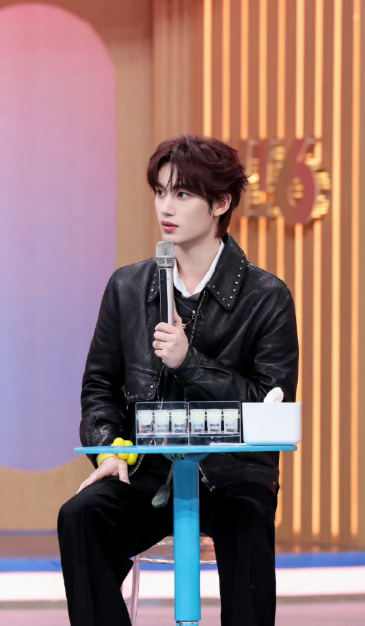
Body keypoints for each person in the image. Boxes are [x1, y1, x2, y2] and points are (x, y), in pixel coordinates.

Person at [58, 134, 299, 626]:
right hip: (148, 469)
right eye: (160, 191)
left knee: (249, 531)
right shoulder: (127, 287)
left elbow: (269, 403)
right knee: (81, 516)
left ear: (221, 203)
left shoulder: (267, 297)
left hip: (234, 474)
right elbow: (99, 387)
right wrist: (110, 451)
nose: (165, 207)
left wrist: (190, 363)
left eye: (183, 193)